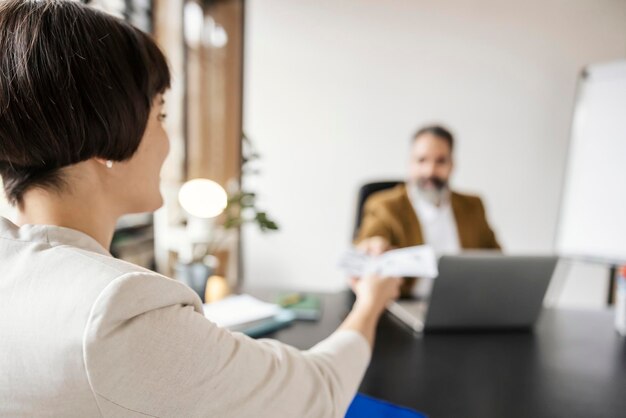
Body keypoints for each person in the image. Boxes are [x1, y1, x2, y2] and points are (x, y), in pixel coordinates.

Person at [0, 1, 400, 417]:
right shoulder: (115, 309)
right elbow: (319, 392)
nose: (168, 142)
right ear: (109, 135)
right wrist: (370, 303)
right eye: (161, 114)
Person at [355, 125, 500, 296]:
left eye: (440, 161)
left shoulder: (473, 205)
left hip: (465, 302)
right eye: (422, 160)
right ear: (410, 163)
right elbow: (373, 236)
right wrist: (375, 244)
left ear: (452, 165)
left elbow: (497, 260)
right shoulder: (385, 205)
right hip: (407, 303)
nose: (430, 171)